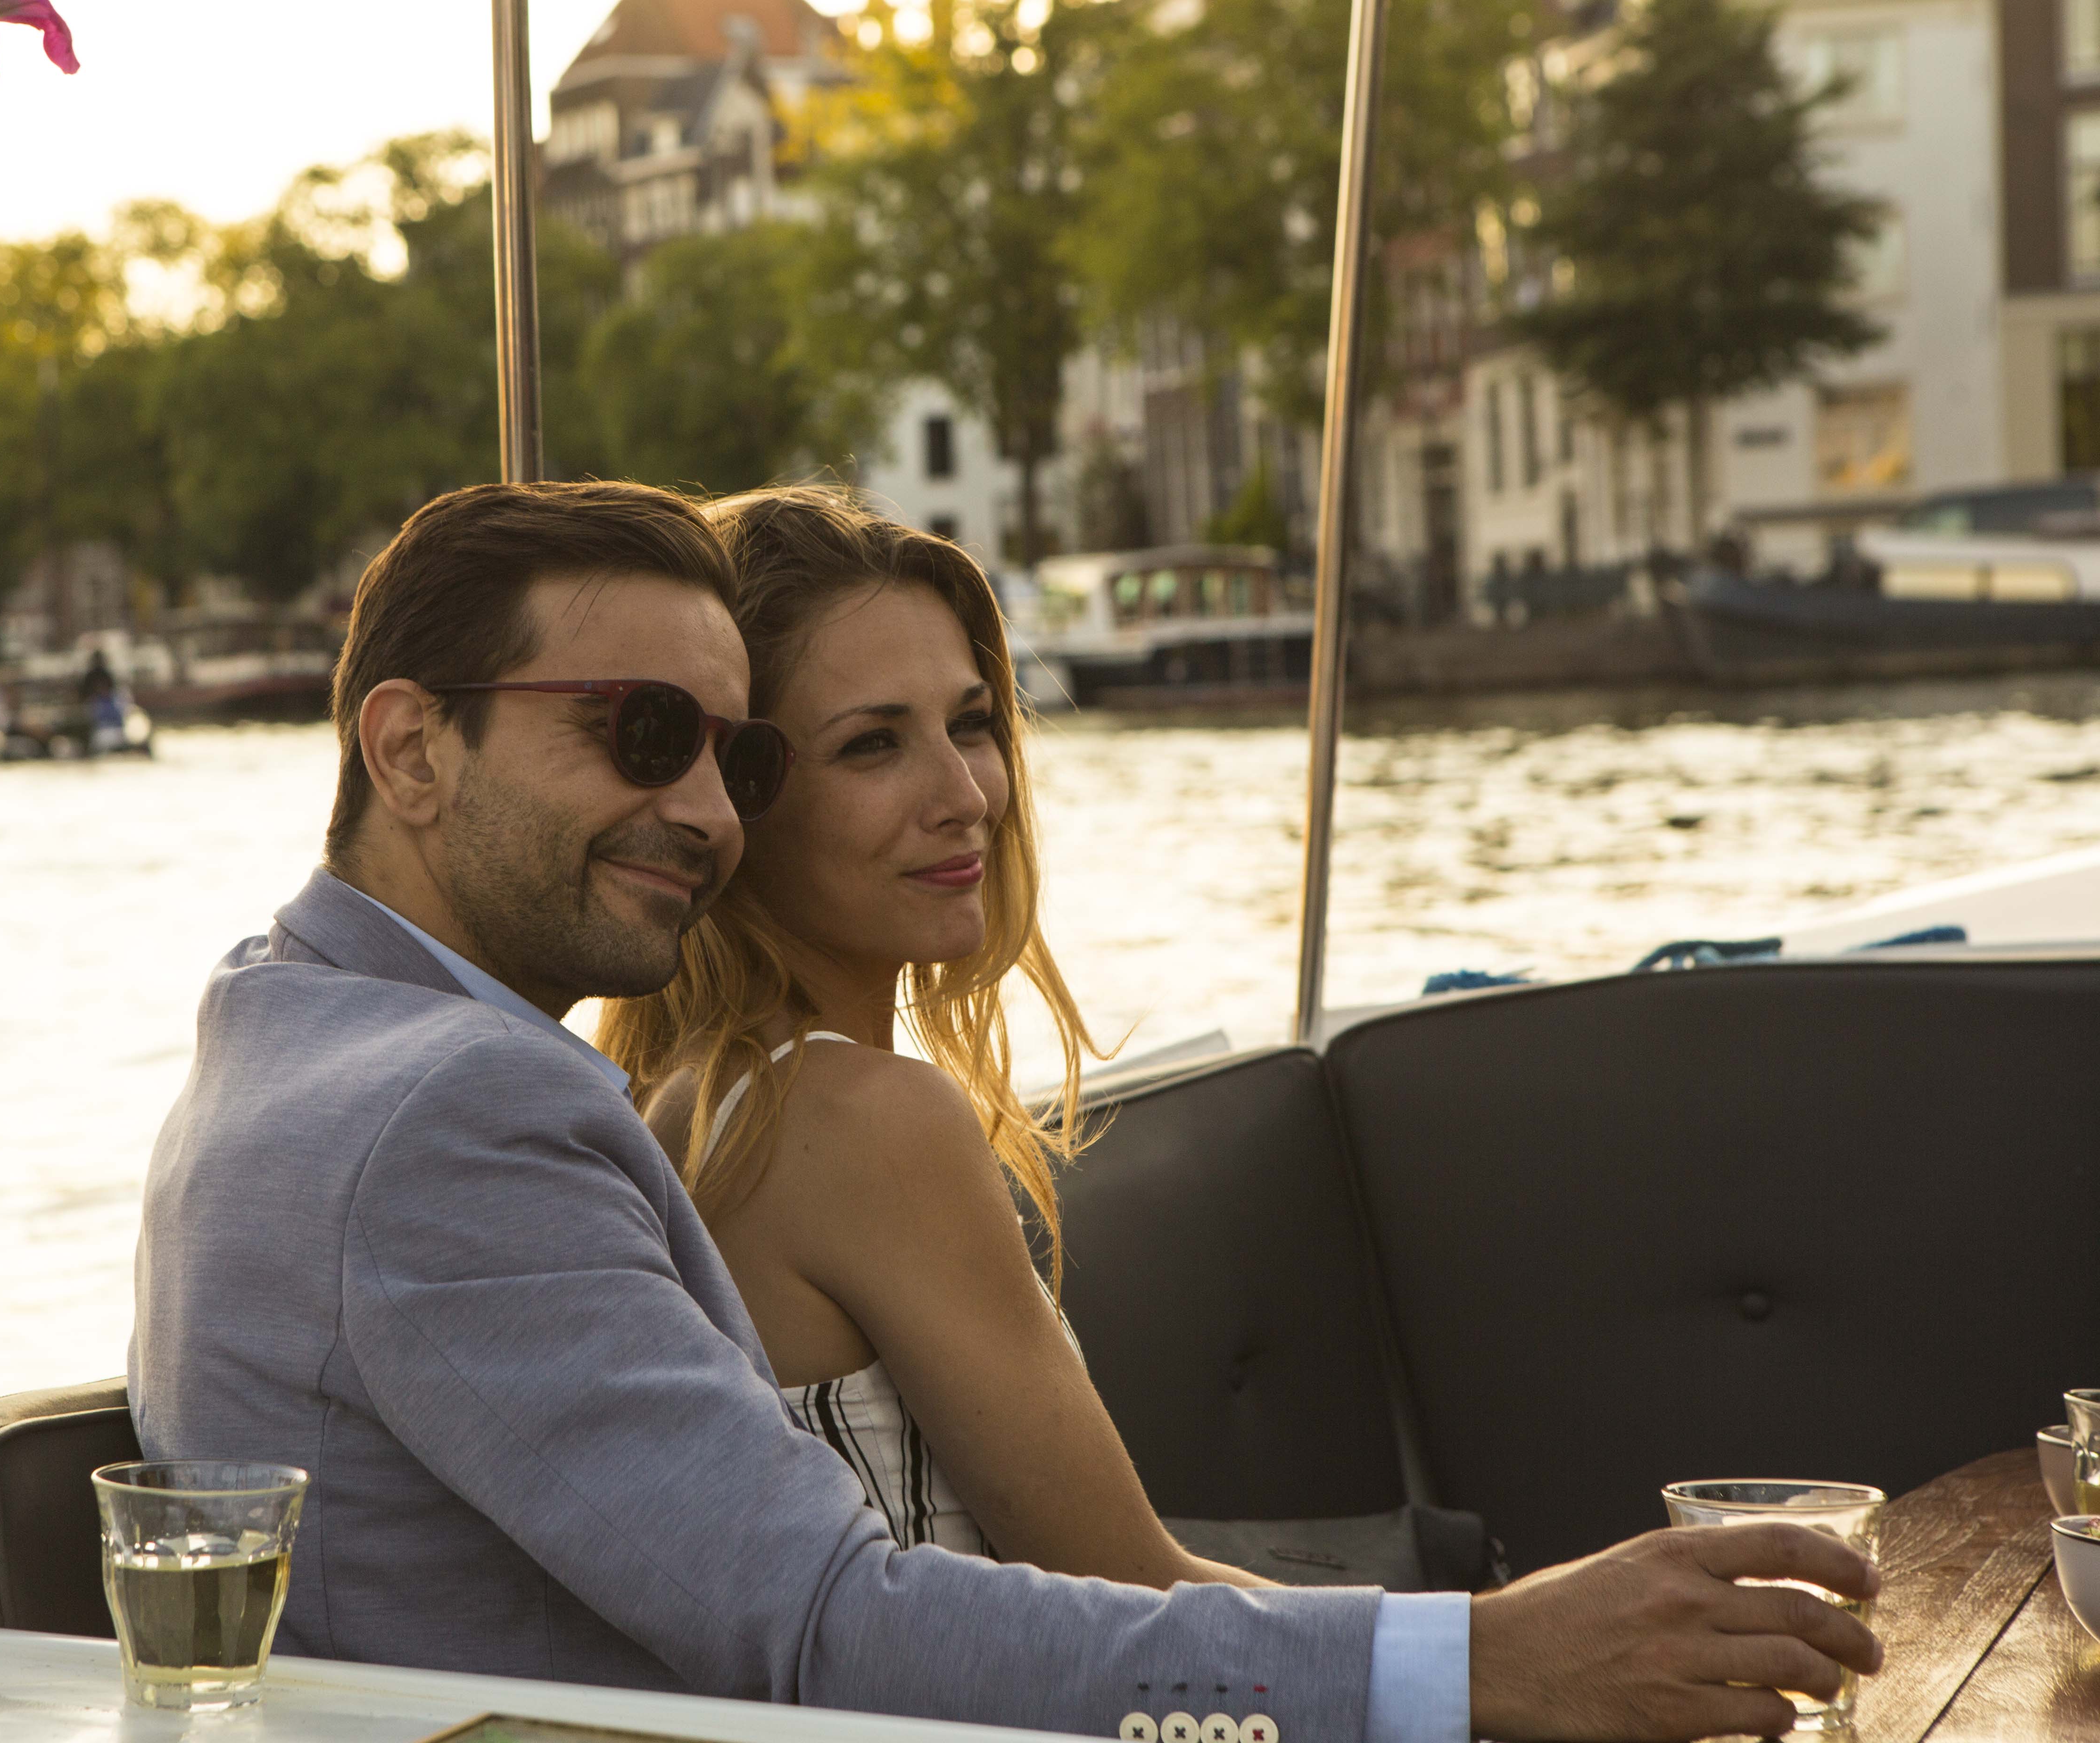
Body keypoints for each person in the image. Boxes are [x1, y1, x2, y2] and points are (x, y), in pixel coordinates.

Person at [131, 478, 1881, 1743]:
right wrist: (1487, 1665)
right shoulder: (465, 1106)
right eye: (641, 730)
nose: (702, 809)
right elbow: (822, 1627)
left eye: (728, 755)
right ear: (410, 750)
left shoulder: (282, 1030)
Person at [598, 486, 1247, 1587]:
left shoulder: (679, 1093)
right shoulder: (857, 1118)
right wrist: (1498, 1654)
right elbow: (1136, 1601)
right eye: (871, 747)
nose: (964, 795)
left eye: (973, 724)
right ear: (734, 798)